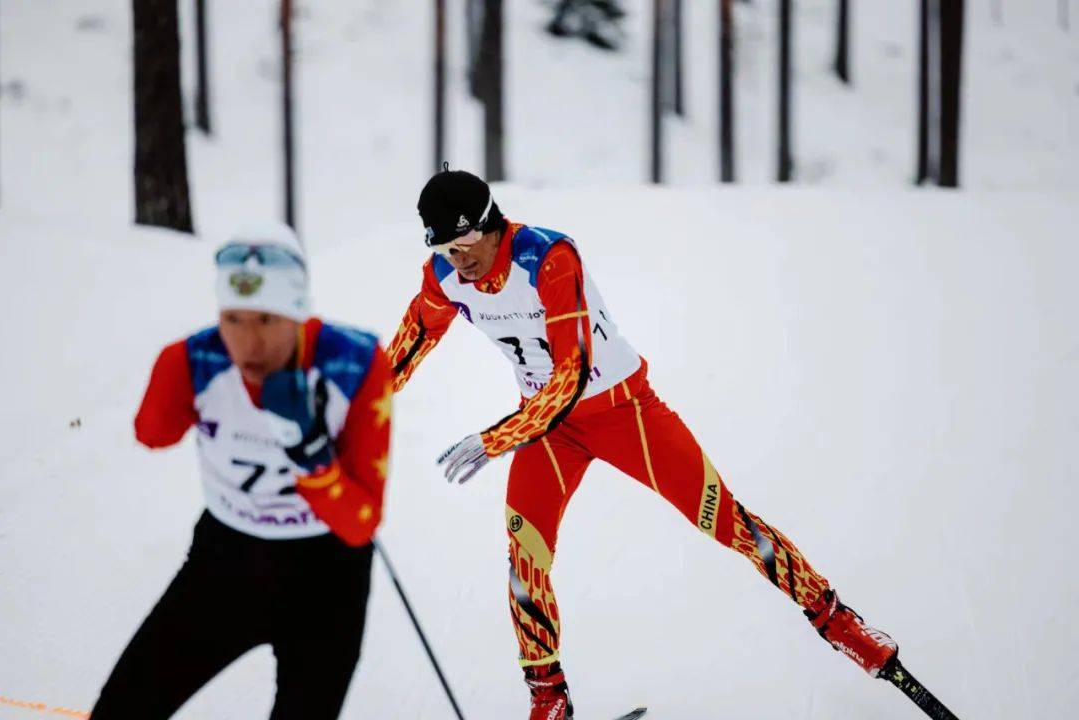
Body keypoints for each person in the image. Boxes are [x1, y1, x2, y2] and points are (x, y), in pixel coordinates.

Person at [386, 170, 899, 720]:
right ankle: (549, 698)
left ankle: (840, 622)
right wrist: (347, 410)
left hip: (623, 412)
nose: (458, 261)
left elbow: (572, 375)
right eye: (444, 248)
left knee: (725, 521)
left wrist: (496, 439)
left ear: (491, 228)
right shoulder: (444, 276)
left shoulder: (549, 258)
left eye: (465, 246)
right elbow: (404, 352)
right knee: (524, 561)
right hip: (548, 431)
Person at [91, 223, 392, 720]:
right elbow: (151, 435)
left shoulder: (353, 363)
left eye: (266, 320)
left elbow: (360, 522)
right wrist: (173, 376)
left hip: (326, 576)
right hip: (226, 562)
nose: (248, 343)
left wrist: (310, 451)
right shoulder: (197, 359)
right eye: (232, 318)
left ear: (297, 313)